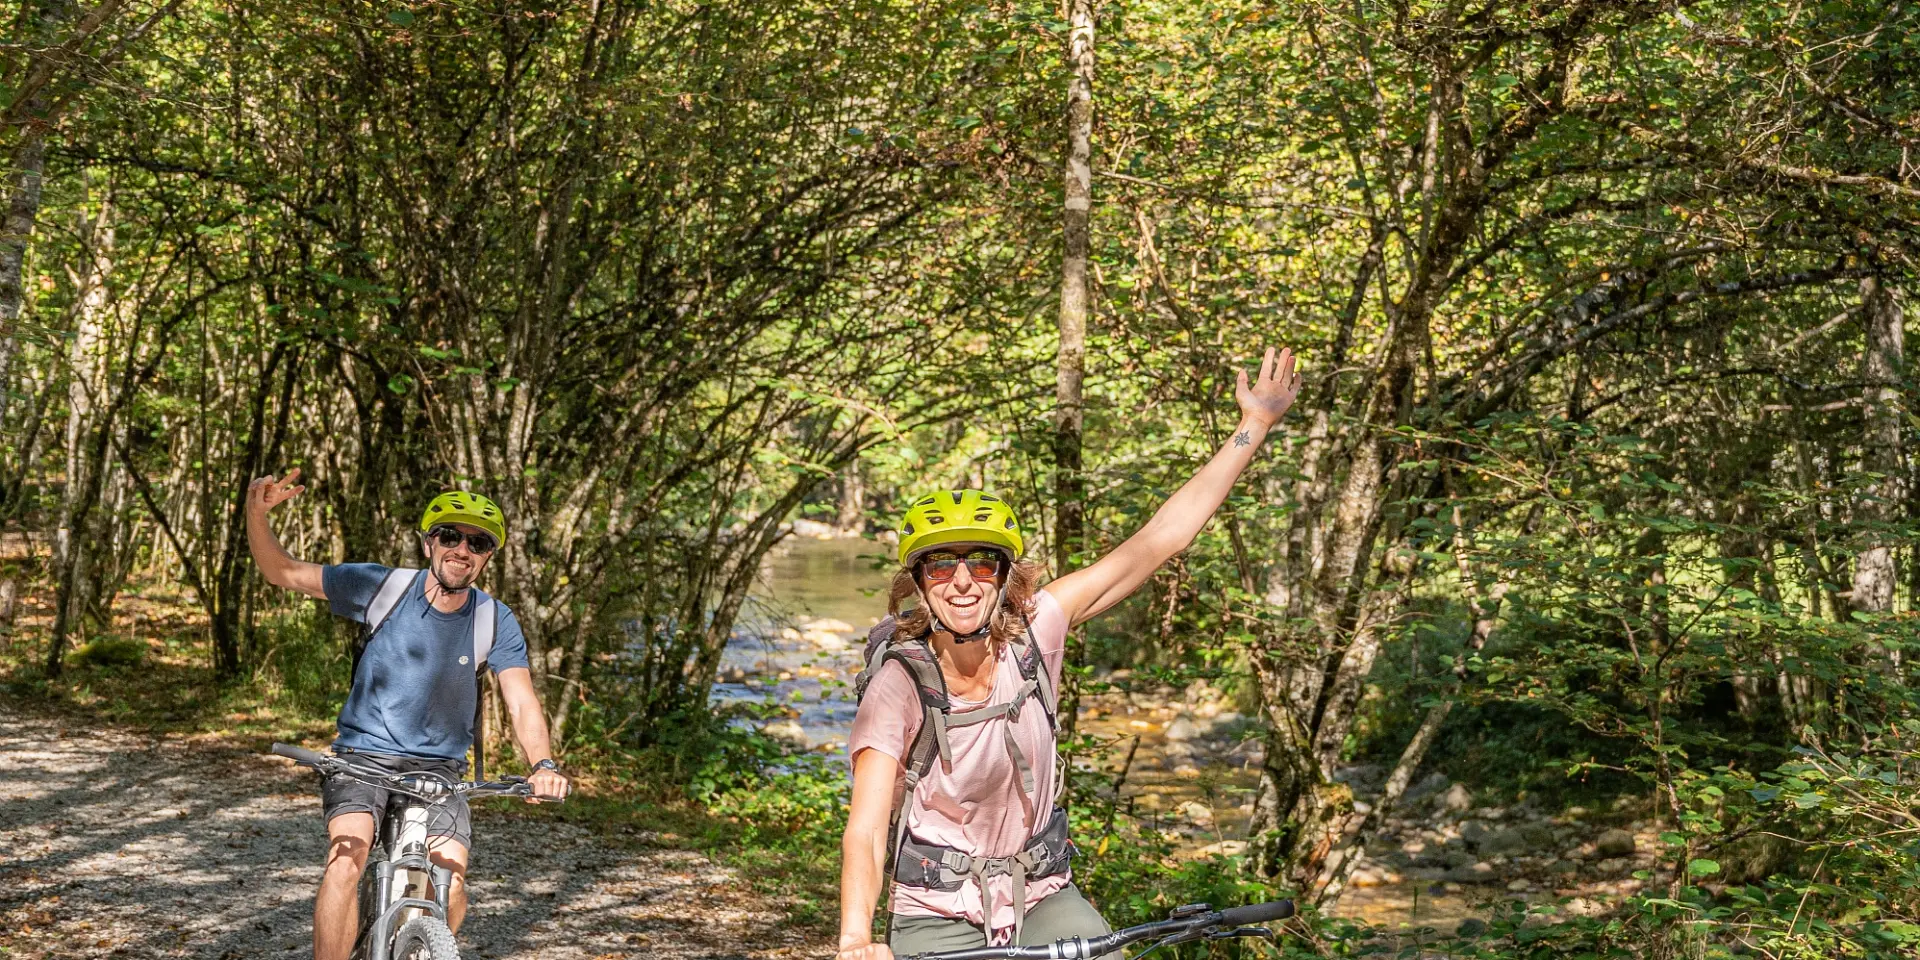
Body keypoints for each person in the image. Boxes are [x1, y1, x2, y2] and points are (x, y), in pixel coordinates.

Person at [836, 347, 1303, 960]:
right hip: (937, 910)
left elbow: (1158, 540)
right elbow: (868, 828)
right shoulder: (900, 682)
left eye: (981, 562)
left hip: (1042, 895)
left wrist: (1256, 425)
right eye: (941, 565)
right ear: (919, 584)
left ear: (1005, 576)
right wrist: (855, 939)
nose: (962, 581)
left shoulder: (1038, 628)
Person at [245, 473, 571, 960]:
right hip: (363, 757)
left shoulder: (494, 619)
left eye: (478, 542)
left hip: (439, 770)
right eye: (450, 536)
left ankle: (423, 947)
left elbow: (521, 699)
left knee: (451, 884)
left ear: (487, 557)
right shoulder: (382, 587)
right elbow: (282, 571)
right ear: (428, 542)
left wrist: (543, 765)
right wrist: (257, 514)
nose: (463, 549)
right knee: (346, 861)